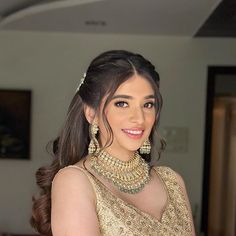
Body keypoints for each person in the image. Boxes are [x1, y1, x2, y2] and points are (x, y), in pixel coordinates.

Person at [31, 50, 195, 236]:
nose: (139, 118)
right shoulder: (75, 181)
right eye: (122, 103)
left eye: (147, 104)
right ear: (91, 113)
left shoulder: (172, 181)